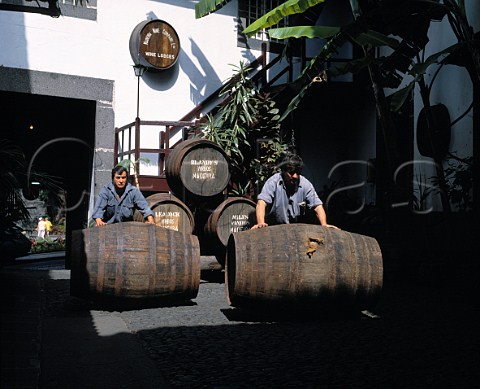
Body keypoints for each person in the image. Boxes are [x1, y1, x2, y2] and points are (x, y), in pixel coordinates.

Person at [251, 153, 339, 230]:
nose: (295, 176)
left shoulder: (305, 184)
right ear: (284, 171)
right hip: (274, 227)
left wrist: (324, 224)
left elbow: (317, 206)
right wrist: (260, 223)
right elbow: (261, 203)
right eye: (291, 173)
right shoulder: (274, 182)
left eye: (298, 173)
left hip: (296, 228)